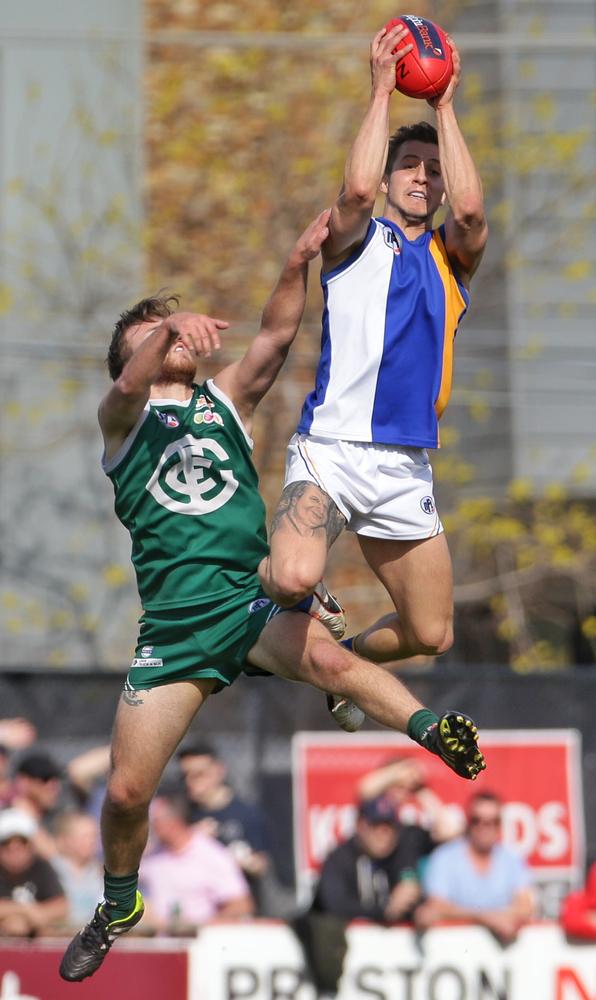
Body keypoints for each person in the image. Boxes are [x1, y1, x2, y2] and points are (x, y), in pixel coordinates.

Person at [59, 210, 484, 982]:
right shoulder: (122, 424)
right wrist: (167, 328)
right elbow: (125, 383)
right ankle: (119, 903)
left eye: (177, 332)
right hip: (175, 628)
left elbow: (274, 339)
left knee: (324, 657)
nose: (179, 342)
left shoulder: (221, 404)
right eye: (159, 339)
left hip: (244, 603)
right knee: (124, 794)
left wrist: (297, 263)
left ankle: (429, 729)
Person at [257, 24, 488, 729]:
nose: (423, 176)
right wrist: (383, 91)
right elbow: (354, 187)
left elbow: (473, 213)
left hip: (404, 467)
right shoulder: (355, 240)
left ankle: (340, 664)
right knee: (294, 576)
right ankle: (251, 594)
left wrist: (446, 108)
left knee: (430, 634)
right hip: (330, 450)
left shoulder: (451, 258)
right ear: (390, 180)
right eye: (409, 165)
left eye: (432, 168)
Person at [294, 794, 423, 996]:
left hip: (391, 967)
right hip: (338, 967)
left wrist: (414, 900)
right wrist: (385, 909)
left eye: (389, 827)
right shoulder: (339, 857)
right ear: (361, 826)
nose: (383, 834)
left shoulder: (401, 855)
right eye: (376, 826)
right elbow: (334, 904)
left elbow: (442, 834)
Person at [415, 791, 534, 944]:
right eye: (477, 820)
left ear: (500, 825)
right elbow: (436, 906)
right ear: (468, 823)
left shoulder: (512, 860)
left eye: (492, 821)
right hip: (453, 949)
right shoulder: (444, 858)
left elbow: (525, 907)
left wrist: (482, 916)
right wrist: (487, 918)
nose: (484, 828)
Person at [139, 793, 254, 933]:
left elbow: (241, 905)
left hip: (200, 946)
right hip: (158, 946)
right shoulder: (153, 857)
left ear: (174, 821)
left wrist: (200, 927)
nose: (151, 826)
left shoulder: (212, 855)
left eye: (155, 820)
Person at [177, 743, 273, 910]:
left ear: (219, 771)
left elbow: (260, 866)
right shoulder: (181, 815)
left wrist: (227, 854)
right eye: (185, 776)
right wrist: (192, 839)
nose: (190, 782)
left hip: (236, 912)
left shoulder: (246, 813)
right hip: (194, 911)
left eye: (199, 775)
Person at [0, 808, 68, 936]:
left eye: (22, 843)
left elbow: (62, 906)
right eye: (6, 843)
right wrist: (24, 911)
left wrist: (36, 917)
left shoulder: (41, 867)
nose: (15, 849)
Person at [51, 812, 104, 928]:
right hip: (57, 936)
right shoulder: (51, 870)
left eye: (94, 836)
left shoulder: (100, 872)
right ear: (64, 840)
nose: (91, 841)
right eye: (85, 836)